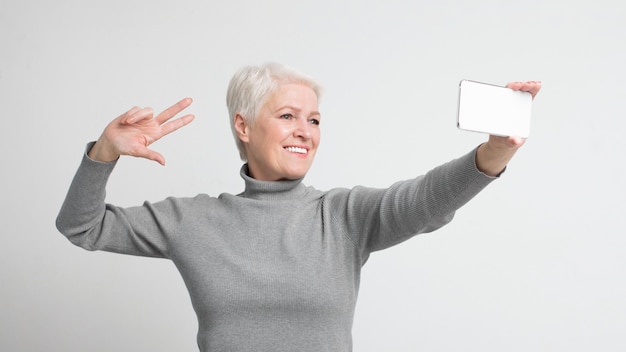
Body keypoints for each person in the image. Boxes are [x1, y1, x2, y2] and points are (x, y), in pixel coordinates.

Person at [56, 62, 541, 351]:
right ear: (243, 127)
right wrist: (104, 151)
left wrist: (496, 151)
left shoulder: (343, 216)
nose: (305, 131)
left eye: (313, 119)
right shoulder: (192, 221)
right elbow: (82, 227)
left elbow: (423, 201)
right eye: (287, 116)